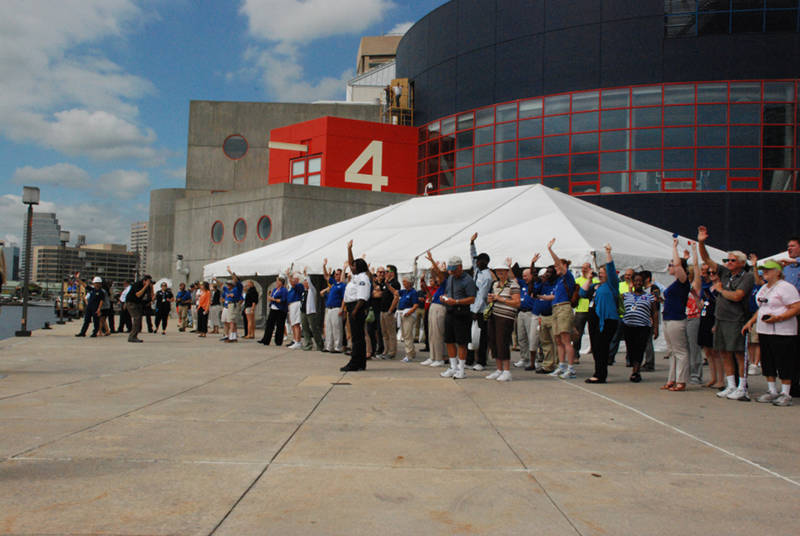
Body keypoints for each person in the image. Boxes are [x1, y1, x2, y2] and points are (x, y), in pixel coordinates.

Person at [698, 226, 755, 401]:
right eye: (727, 260)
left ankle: (742, 386)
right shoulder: (724, 272)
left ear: (741, 262)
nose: (728, 263)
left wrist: (721, 290)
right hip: (720, 319)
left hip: (736, 319)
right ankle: (730, 385)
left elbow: (738, 296)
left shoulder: (747, 276)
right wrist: (701, 242)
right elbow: (706, 259)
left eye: (731, 260)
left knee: (738, 353)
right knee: (723, 352)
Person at [742, 260, 800, 406]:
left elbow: (796, 307)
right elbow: (762, 308)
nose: (765, 272)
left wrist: (779, 317)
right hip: (765, 330)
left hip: (783, 331)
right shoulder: (764, 288)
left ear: (778, 271)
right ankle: (771, 390)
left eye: (768, 269)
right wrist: (751, 321)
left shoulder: (786, 287)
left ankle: (786, 393)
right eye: (763, 270)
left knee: (784, 362)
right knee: (768, 361)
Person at [579, 244, 619, 383]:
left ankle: (600, 375)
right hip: (594, 319)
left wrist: (608, 253)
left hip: (607, 320)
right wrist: (589, 278)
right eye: (600, 272)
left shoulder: (612, 285)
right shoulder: (596, 286)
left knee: (602, 346)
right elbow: (582, 293)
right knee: (595, 347)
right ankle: (598, 372)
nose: (601, 274)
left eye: (603, 272)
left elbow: (611, 269)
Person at [659, 239, 692, 392]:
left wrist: (674, 247)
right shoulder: (674, 285)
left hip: (676, 319)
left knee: (680, 351)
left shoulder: (683, 282)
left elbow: (679, 265)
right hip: (667, 317)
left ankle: (681, 381)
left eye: (671, 265)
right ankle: (671, 379)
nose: (670, 267)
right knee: (671, 351)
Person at [439, 255, 478, 379]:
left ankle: (461, 369)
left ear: (460, 267)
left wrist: (456, 302)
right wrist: (444, 298)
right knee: (449, 340)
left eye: (454, 270)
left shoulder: (468, 280)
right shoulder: (450, 278)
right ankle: (453, 367)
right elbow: (448, 292)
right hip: (450, 312)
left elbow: (472, 299)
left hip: (462, 313)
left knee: (462, 342)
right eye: (450, 270)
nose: (452, 272)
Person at [485, 262, 521, 381]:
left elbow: (517, 302)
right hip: (494, 315)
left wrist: (501, 299)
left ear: (507, 271)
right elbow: (493, 300)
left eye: (502, 270)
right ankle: (499, 369)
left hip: (506, 317)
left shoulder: (513, 285)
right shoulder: (495, 284)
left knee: (503, 342)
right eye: (498, 271)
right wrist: (490, 299)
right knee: (494, 342)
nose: (500, 273)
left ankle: (506, 370)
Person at [547, 238, 578, 379]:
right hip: (556, 309)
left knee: (566, 339)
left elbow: (559, 263)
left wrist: (550, 250)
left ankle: (571, 369)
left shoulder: (568, 277)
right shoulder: (558, 281)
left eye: (558, 266)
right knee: (558, 340)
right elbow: (553, 297)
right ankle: (562, 366)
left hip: (564, 309)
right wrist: (539, 296)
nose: (556, 268)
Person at [340, 240, 372, 371]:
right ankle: (360, 363)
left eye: (353, 266)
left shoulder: (363, 279)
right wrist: (349, 249)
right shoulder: (357, 276)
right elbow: (351, 262)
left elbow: (362, 298)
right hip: (353, 307)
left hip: (357, 308)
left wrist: (354, 312)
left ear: (358, 267)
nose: (351, 268)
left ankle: (355, 362)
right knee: (358, 337)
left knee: (357, 338)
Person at [622, 272, 659, 382]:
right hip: (628, 326)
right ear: (632, 283)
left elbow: (654, 312)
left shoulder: (649, 297)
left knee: (640, 348)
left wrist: (656, 328)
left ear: (643, 283)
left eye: (640, 281)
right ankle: (634, 366)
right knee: (631, 349)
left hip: (643, 326)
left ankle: (636, 371)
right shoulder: (625, 295)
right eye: (636, 281)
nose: (638, 283)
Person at [467, 233, 493, 371]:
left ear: (485, 262)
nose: (476, 262)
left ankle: (481, 361)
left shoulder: (487, 276)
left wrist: (475, 311)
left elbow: (482, 295)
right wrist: (472, 243)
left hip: (481, 310)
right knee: (471, 335)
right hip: (472, 307)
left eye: (479, 261)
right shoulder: (477, 270)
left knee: (481, 336)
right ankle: (470, 359)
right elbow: (473, 256)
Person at [512, 255, 540, 369]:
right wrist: (509, 267)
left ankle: (535, 359)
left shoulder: (535, 285)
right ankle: (524, 358)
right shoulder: (523, 284)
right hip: (521, 313)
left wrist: (532, 263)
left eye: (526, 276)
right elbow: (513, 278)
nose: (524, 278)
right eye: (523, 276)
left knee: (532, 337)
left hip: (531, 313)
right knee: (521, 337)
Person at [421, 254, 447, 367]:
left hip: (440, 306)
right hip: (433, 305)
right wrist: (433, 268)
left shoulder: (447, 279)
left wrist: (432, 261)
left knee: (438, 334)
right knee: (431, 334)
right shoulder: (441, 281)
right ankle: (432, 356)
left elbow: (440, 276)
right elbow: (436, 276)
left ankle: (439, 358)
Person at [686, 244, 704, 384]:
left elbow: (697, 268)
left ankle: (696, 374)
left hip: (694, 318)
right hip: (683, 318)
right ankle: (686, 372)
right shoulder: (682, 285)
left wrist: (694, 251)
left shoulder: (695, 285)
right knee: (684, 348)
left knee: (694, 347)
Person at [573, 262, 599, 358]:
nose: (583, 270)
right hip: (581, 309)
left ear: (590, 269)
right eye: (582, 268)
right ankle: (576, 353)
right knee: (578, 333)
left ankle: (594, 351)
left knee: (593, 332)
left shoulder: (595, 281)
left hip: (592, 310)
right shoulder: (578, 280)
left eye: (586, 268)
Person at [321, 260, 347, 353]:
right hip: (329, 308)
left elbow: (344, 297)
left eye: (338, 274)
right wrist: (324, 266)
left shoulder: (343, 285)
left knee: (337, 328)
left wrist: (342, 308)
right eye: (335, 274)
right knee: (328, 327)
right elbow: (326, 277)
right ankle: (329, 346)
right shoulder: (334, 284)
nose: (336, 276)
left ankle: (338, 347)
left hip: (337, 308)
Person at [392, 275, 419, 362]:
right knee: (405, 334)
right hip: (402, 314)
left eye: (405, 282)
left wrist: (409, 312)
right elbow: (395, 292)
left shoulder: (413, 292)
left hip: (408, 315)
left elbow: (416, 305)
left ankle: (409, 355)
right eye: (403, 282)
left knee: (407, 335)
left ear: (409, 283)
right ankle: (412, 352)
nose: (403, 283)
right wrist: (388, 284)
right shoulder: (404, 291)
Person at [378, 264, 400, 359]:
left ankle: (392, 352)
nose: (385, 273)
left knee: (391, 332)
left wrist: (391, 310)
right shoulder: (385, 283)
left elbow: (396, 297)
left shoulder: (395, 283)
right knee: (384, 332)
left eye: (387, 271)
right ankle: (385, 350)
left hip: (389, 311)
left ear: (392, 273)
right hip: (382, 310)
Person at [300, 267, 324, 351]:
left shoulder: (312, 290)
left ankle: (320, 344)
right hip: (303, 311)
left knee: (314, 328)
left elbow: (310, 283)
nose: (304, 283)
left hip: (311, 311)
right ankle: (308, 343)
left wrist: (306, 275)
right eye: (304, 282)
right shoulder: (303, 291)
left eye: (305, 282)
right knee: (305, 328)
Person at [261, 275, 288, 346]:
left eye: (278, 281)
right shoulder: (275, 289)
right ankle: (266, 340)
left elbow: (283, 300)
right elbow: (272, 297)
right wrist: (270, 298)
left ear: (281, 282)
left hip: (280, 309)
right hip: (273, 308)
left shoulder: (284, 290)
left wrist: (274, 300)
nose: (277, 282)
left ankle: (278, 341)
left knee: (280, 325)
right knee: (269, 324)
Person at [126, 274, 153, 343]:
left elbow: (151, 297)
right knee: (137, 318)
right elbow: (138, 294)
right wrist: (145, 286)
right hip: (131, 302)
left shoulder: (147, 287)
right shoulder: (137, 285)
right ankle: (132, 337)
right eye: (148, 281)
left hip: (138, 303)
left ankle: (134, 336)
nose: (149, 283)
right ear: (144, 281)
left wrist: (151, 288)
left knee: (138, 319)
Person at [220, 267, 244, 343]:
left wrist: (230, 272)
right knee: (231, 321)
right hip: (230, 305)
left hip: (234, 304)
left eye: (234, 280)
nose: (233, 281)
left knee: (232, 321)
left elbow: (235, 280)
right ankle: (232, 336)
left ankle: (232, 337)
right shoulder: (233, 288)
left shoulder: (239, 286)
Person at [285, 271, 304, 349]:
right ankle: (295, 339)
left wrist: (289, 276)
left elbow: (293, 284)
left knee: (296, 323)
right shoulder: (292, 287)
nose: (293, 280)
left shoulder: (299, 285)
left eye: (295, 278)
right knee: (293, 323)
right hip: (291, 304)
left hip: (296, 303)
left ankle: (298, 341)